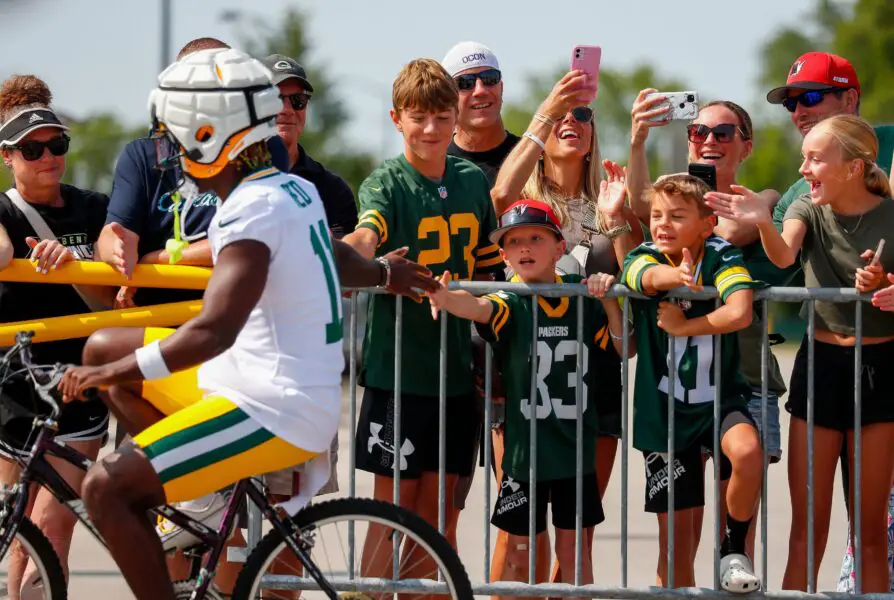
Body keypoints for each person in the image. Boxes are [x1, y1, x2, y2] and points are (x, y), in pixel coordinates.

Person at [56, 47, 437, 600]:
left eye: (175, 139)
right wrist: (384, 273)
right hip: (252, 380)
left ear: (209, 138)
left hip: (271, 406)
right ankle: (196, 491)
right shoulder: (291, 187)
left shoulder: (250, 207)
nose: (170, 153)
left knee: (106, 488)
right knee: (100, 346)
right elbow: (334, 253)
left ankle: (183, 486)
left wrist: (110, 371)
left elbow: (215, 330)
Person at [707, 114, 894, 593]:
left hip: (880, 371)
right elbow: (784, 256)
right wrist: (760, 222)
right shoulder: (806, 209)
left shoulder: (891, 214)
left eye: (814, 158)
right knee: (805, 532)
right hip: (821, 365)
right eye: (804, 157)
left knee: (869, 534)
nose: (803, 167)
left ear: (854, 167)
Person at [341, 58, 503, 572]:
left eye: (439, 116)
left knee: (438, 511)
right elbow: (365, 236)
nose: (430, 129)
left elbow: (491, 273)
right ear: (396, 119)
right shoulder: (384, 183)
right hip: (398, 372)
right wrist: (346, 253)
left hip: (456, 373)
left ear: (456, 116)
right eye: (417, 118)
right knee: (390, 509)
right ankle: (364, 592)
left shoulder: (473, 182)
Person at [427, 198, 634, 597]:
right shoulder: (511, 300)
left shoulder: (581, 299)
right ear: (503, 254)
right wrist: (447, 296)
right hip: (525, 455)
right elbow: (479, 306)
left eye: (536, 238)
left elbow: (624, 347)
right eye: (515, 241)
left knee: (575, 558)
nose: (525, 248)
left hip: (575, 452)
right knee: (518, 555)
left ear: (560, 246)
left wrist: (608, 297)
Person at [627, 94, 787, 559]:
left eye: (723, 133)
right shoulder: (667, 220)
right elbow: (644, 212)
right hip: (677, 388)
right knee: (677, 546)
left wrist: (701, 225)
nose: (709, 140)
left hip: (744, 380)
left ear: (746, 145)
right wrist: (638, 141)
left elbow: (731, 233)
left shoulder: (764, 204)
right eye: (698, 132)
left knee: (737, 546)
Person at [0, 74, 114, 593]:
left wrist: (76, 265)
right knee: (22, 535)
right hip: (14, 390)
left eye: (57, 145)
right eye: (31, 149)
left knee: (52, 529)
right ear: (8, 155)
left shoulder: (96, 209)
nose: (47, 156)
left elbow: (119, 295)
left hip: (78, 383)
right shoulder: (3, 210)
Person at [622, 173, 763, 592]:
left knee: (749, 452)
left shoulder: (722, 254)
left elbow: (739, 311)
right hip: (664, 413)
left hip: (718, 399)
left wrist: (687, 326)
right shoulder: (644, 254)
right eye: (657, 215)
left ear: (707, 224)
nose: (662, 223)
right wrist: (675, 278)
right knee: (677, 543)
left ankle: (733, 548)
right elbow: (642, 277)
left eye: (677, 216)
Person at [261, 54, 358, 238]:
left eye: (298, 100)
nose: (288, 110)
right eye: (275, 98)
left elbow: (346, 261)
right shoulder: (229, 180)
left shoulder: (333, 190)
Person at [442, 41, 520, 187]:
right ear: (448, 97)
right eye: (465, 83)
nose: (480, 91)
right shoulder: (436, 169)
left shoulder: (532, 158)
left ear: (501, 88)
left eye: (489, 78)